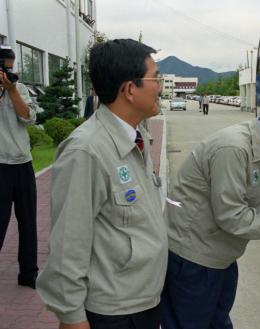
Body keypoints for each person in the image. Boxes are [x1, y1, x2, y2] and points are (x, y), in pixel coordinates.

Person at [37, 39, 168, 329]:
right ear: (130, 89)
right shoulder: (86, 151)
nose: (160, 86)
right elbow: (68, 244)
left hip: (144, 299)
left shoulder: (136, 136)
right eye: (155, 78)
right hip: (114, 313)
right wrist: (72, 318)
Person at [160, 109, 260, 329]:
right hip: (194, 261)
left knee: (217, 322)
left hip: (221, 257)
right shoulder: (233, 149)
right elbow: (231, 216)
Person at [0, 45, 38, 289]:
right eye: (6, 69)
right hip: (0, 166)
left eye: (12, 69)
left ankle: (28, 274)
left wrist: (12, 90)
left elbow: (29, 117)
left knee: (28, 222)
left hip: (23, 164)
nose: (10, 73)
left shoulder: (20, 89)